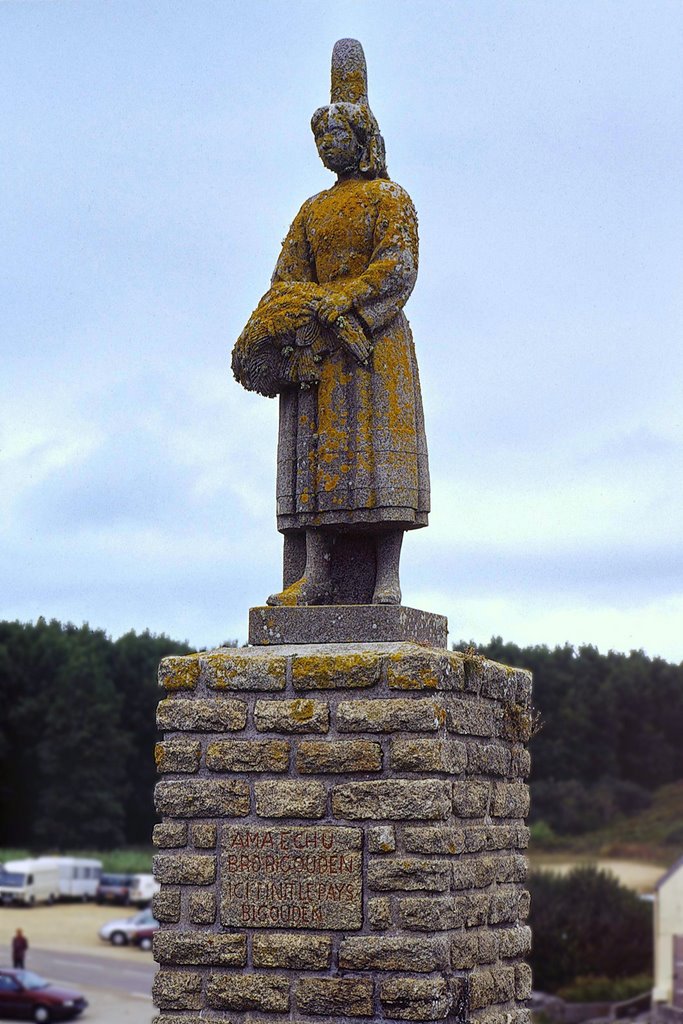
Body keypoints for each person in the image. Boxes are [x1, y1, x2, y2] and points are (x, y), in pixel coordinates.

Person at [233, 39, 430, 606]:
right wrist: (300, 313)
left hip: (373, 343)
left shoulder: (391, 199)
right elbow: (286, 278)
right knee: (317, 462)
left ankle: (385, 577)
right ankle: (315, 575)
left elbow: (399, 266)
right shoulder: (311, 210)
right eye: (319, 139)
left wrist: (345, 302)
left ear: (363, 140)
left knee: (380, 464)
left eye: (336, 136)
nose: (326, 147)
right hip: (319, 351)